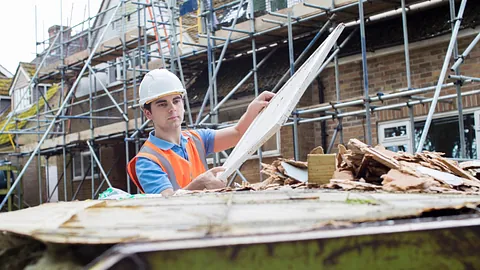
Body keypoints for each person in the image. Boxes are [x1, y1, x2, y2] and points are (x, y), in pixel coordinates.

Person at [127, 69, 274, 196]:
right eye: (162, 104)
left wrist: (252, 110)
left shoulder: (197, 138)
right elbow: (167, 204)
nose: (172, 108)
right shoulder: (147, 161)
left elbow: (237, 133)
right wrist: (199, 184)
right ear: (148, 114)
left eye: (176, 101)